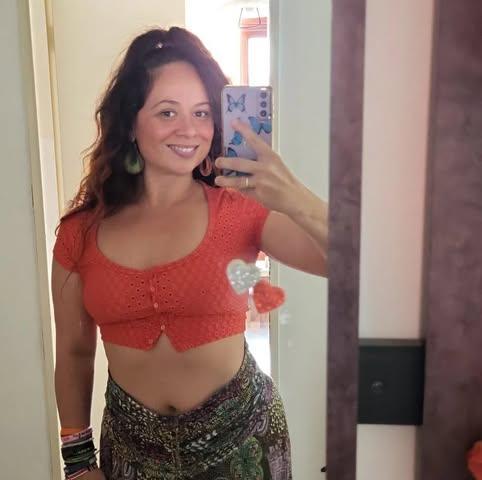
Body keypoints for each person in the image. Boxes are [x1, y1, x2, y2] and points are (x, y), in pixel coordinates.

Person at [51, 26, 328, 480]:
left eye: (202, 113)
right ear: (130, 123)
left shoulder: (240, 209)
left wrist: (294, 196)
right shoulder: (79, 233)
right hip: (131, 454)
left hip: (244, 446)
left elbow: (351, 264)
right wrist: (78, 462)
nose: (189, 130)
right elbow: (73, 352)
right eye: (167, 112)